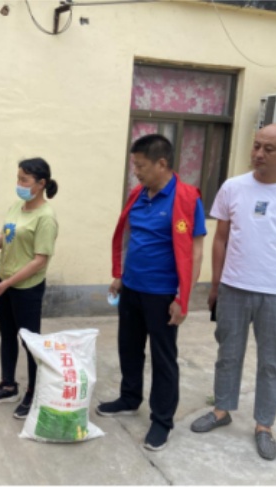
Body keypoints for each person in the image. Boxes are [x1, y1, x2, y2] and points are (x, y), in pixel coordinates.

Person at [190, 123, 276, 461]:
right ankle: (222, 410)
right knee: (228, 354)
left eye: (269, 149)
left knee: (271, 362)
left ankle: (264, 425)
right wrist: (216, 285)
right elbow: (221, 239)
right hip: (234, 288)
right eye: (256, 146)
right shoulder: (233, 187)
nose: (259, 154)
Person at [96, 134, 206, 451]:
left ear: (161, 163)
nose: (136, 171)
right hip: (132, 287)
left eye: (140, 165)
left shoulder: (187, 199)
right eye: (134, 165)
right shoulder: (138, 195)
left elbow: (195, 253)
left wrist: (183, 298)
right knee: (129, 348)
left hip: (162, 294)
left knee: (163, 358)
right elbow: (132, 238)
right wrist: (120, 276)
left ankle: (162, 420)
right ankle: (129, 398)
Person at [0, 158, 59, 420]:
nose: (19, 184)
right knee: (7, 335)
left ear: (41, 183)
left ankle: (34, 392)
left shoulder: (45, 217)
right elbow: (9, 241)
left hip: (26, 288)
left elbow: (39, 260)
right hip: (6, 282)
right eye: (18, 178)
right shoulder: (16, 207)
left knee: (30, 342)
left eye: (24, 180)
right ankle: (8, 386)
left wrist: (8, 283)